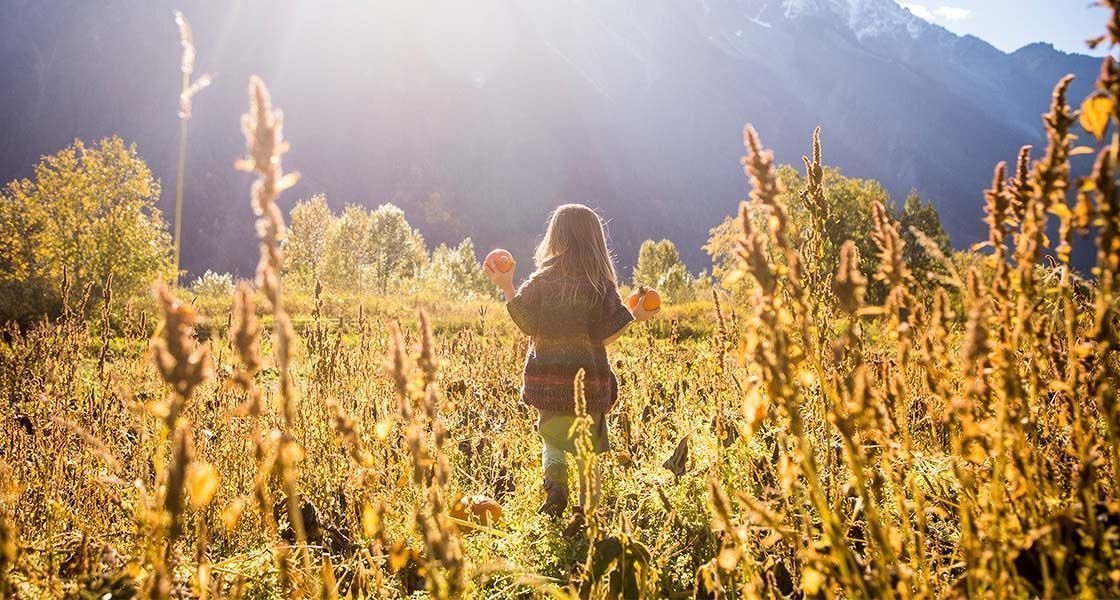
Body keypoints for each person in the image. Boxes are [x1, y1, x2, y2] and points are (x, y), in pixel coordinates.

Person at [484, 204, 659, 517]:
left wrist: (507, 286)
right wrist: (634, 314)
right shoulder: (600, 285)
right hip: (587, 385)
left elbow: (526, 323)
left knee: (552, 441)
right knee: (586, 449)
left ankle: (556, 487)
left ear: (555, 238)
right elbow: (605, 335)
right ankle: (585, 508)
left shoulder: (542, 280)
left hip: (547, 381)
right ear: (595, 241)